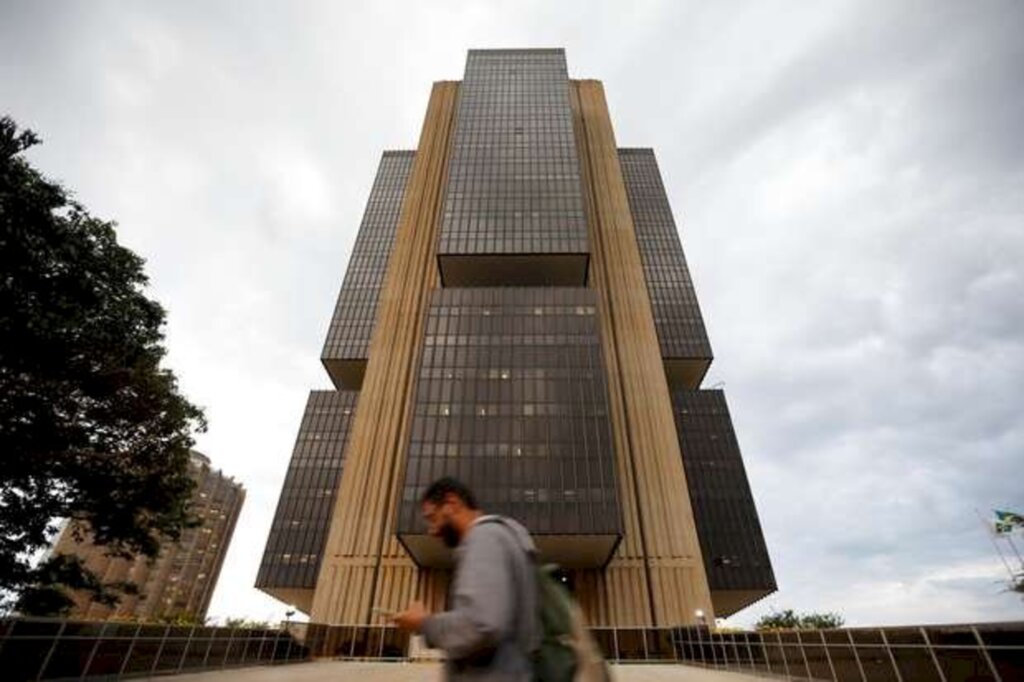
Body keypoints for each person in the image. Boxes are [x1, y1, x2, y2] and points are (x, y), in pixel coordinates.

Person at [393, 477, 539, 681]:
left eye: (432, 518)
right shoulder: (504, 538)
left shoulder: (484, 538)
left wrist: (424, 623)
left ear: (451, 504)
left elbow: (481, 624)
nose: (432, 531)